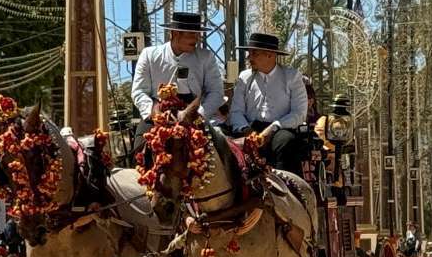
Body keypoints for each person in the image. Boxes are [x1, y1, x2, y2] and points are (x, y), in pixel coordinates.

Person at [131, 11, 224, 159]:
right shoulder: (149, 55)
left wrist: (199, 113)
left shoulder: (206, 57)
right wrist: (153, 111)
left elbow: (216, 92)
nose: (196, 39)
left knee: (221, 148)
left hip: (194, 111)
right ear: (175, 33)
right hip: (158, 110)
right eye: (191, 35)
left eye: (197, 34)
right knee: (141, 149)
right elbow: (139, 91)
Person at [228, 32, 309, 174]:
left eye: (254, 53)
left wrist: (273, 128)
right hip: (250, 127)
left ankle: (285, 189)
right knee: (224, 141)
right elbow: (236, 111)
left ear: (270, 55)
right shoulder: (244, 77)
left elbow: (299, 113)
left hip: (281, 128)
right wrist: (246, 130)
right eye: (249, 53)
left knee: (285, 142)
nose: (249, 58)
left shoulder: (292, 76)